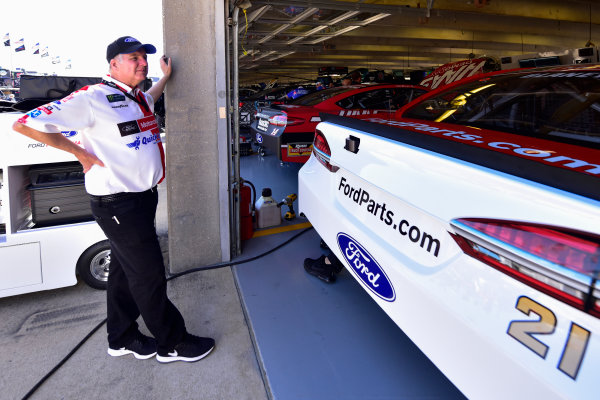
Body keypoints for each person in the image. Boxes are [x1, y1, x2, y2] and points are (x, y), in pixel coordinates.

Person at [12, 36, 215, 364]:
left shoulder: (136, 98)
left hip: (141, 200)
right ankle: (172, 343)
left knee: (123, 270)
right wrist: (79, 153)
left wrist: (164, 77)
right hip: (118, 204)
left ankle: (121, 338)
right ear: (113, 64)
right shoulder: (94, 97)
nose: (141, 63)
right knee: (148, 274)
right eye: (132, 58)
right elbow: (25, 124)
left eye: (143, 58)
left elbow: (151, 97)